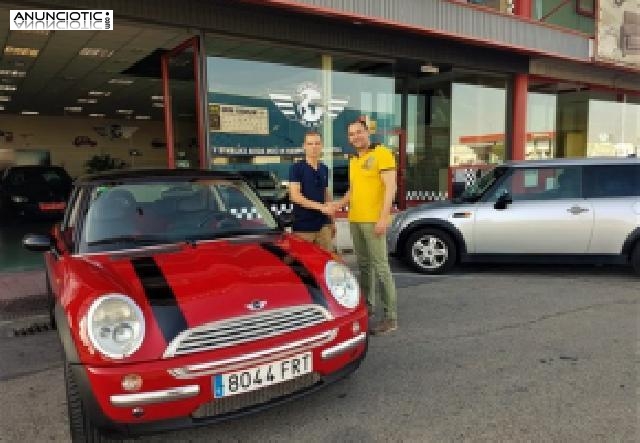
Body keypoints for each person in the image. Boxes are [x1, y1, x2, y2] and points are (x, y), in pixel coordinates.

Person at [332, 120, 398, 335]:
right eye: (351, 134)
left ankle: (390, 317)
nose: (355, 137)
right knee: (364, 265)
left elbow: (391, 188)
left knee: (381, 267)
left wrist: (383, 218)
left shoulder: (382, 153)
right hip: (356, 219)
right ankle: (368, 307)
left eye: (359, 132)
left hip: (373, 220)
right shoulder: (354, 160)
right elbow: (354, 189)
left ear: (367, 132)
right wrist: (339, 205)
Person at [288, 131, 335, 252]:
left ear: (321, 145)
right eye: (310, 144)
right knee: (302, 265)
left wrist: (332, 221)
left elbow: (326, 194)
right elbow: (295, 196)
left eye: (317, 143)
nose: (314, 147)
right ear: (304, 145)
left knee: (326, 264)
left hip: (323, 227)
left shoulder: (324, 169)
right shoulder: (296, 168)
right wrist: (321, 207)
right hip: (303, 228)